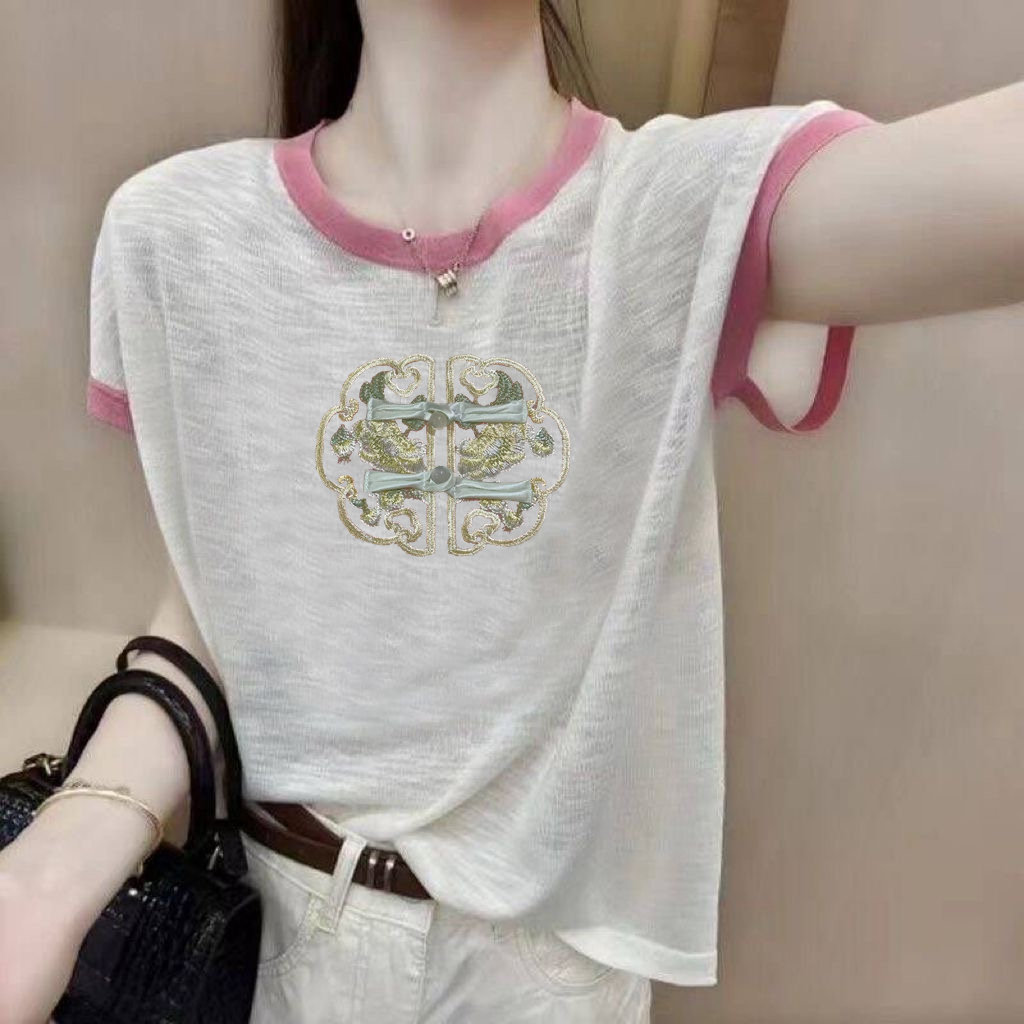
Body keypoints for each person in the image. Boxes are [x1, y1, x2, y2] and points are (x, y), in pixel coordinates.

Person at [1, 1, 1022, 1021]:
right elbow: (217, 610)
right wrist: (68, 846)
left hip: (541, 978)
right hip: (263, 940)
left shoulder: (683, 206)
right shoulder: (180, 234)